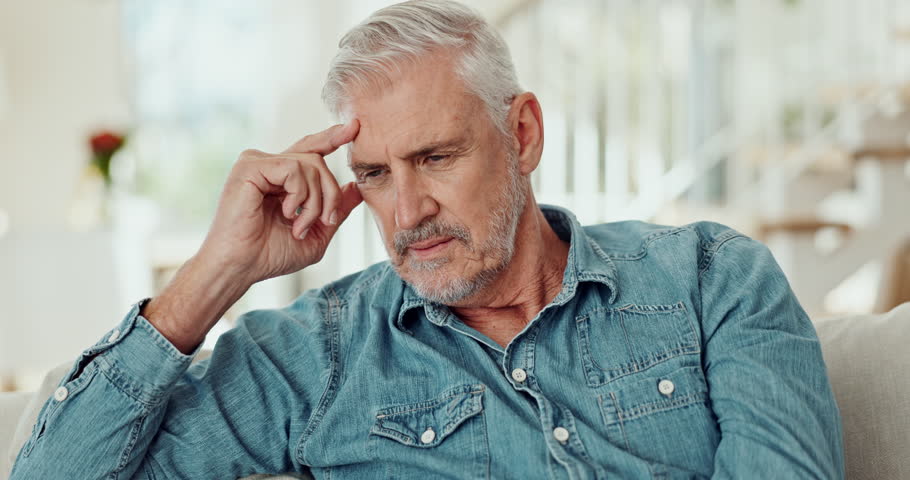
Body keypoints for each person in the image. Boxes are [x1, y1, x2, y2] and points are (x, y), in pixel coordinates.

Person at [10, 1, 844, 478]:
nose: (405, 212)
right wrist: (214, 272)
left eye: (435, 157)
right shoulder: (316, 357)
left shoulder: (712, 281)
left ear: (521, 135)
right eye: (373, 174)